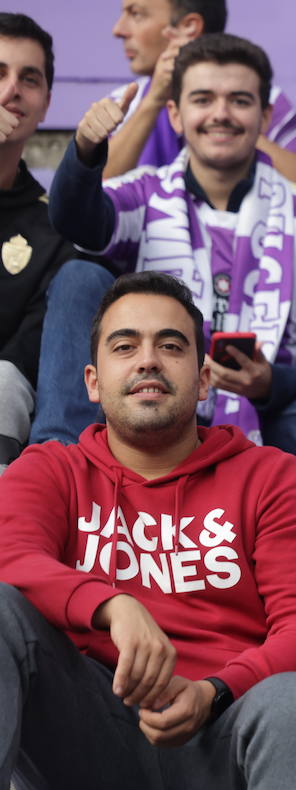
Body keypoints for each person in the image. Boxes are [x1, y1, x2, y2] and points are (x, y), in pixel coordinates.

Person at [0, 270, 296, 790]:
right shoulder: (48, 470)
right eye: (124, 345)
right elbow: (10, 559)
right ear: (91, 380)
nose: (147, 361)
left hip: (229, 739)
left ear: (202, 376)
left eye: (170, 345)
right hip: (91, 740)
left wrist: (214, 692)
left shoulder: (270, 476)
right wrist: (110, 603)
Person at [39, 32, 296, 510]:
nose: (220, 114)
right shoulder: (143, 194)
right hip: (158, 409)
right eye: (203, 99)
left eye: (239, 100)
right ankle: (54, 483)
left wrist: (270, 385)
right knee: (78, 275)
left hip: (271, 418)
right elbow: (76, 220)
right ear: (176, 115)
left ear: (264, 117)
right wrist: (84, 151)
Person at [105, 0, 296, 187]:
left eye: (136, 14)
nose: (118, 30)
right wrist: (154, 100)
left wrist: (239, 121)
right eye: (201, 100)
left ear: (189, 27)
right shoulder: (123, 103)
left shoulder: (266, 99)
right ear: (174, 112)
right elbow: (94, 198)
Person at [0, 13, 71, 465]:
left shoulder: (54, 228)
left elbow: (23, 359)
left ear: (45, 104)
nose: (11, 90)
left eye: (29, 78)